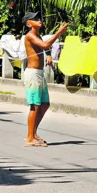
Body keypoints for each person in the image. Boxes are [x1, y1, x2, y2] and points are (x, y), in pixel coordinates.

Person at [22, 12, 68, 147]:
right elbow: (44, 45)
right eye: (35, 19)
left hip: (39, 74)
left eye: (38, 18)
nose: (39, 20)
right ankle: (30, 138)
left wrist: (47, 55)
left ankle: (33, 133)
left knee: (44, 104)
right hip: (33, 74)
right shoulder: (29, 35)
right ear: (29, 24)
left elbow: (43, 47)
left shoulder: (37, 35)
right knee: (34, 106)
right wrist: (58, 33)